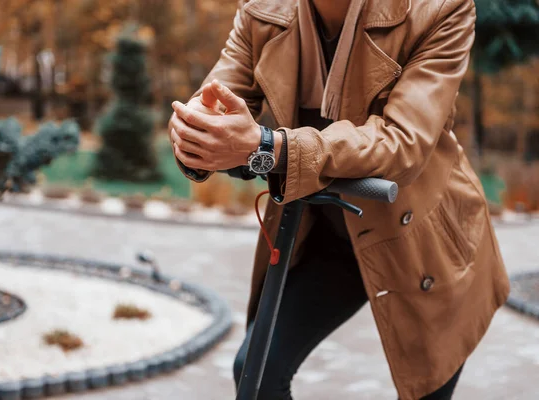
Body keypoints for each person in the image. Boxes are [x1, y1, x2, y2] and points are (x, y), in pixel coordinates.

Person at [168, 0, 510, 399]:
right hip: (325, 237)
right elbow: (216, 100)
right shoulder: (262, 10)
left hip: (422, 241)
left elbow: (403, 143)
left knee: (426, 387)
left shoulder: (440, 9)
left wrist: (268, 146)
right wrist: (197, 133)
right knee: (256, 374)